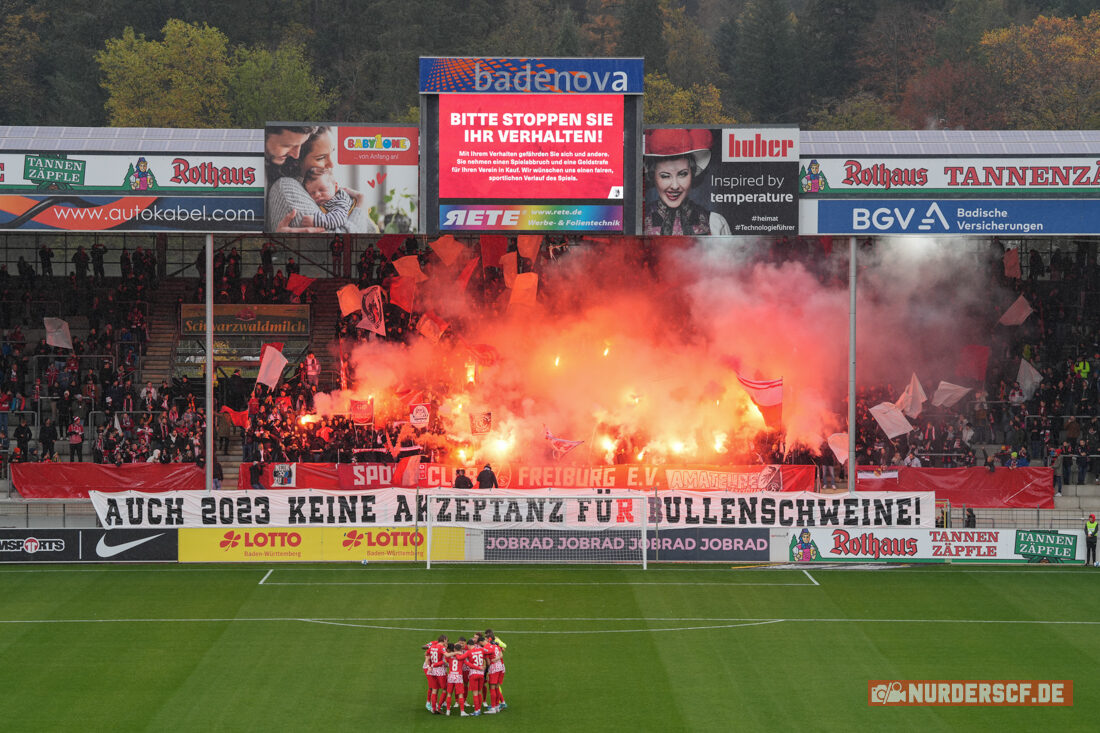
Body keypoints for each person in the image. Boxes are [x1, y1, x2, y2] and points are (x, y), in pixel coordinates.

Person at [266, 126, 377, 234]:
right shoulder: (288, 188)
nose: (332, 164)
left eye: (331, 153)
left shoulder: (332, 192)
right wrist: (361, 205)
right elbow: (341, 245)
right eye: (321, 158)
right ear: (297, 160)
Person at [642, 128, 730, 236]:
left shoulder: (715, 223)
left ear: (692, 174)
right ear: (653, 176)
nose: (675, 186)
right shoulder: (638, 221)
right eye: (665, 176)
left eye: (682, 174)